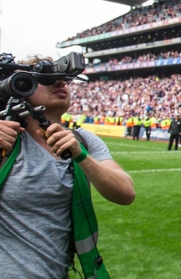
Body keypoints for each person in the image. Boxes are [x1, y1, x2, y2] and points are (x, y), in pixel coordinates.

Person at [0, 56, 136, 278]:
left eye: (64, 79)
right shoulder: (7, 139)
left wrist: (81, 155)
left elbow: (126, 193)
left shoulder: (84, 141)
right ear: (21, 86)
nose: (60, 82)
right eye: (45, 78)